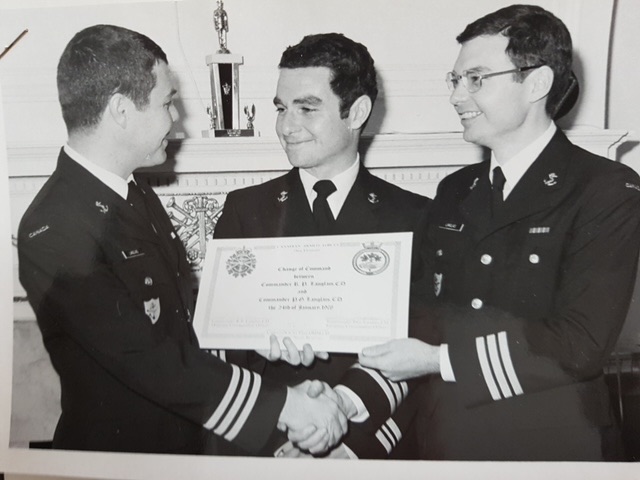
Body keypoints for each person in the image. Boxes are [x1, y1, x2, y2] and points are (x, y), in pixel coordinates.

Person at [17, 24, 347, 455]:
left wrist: (259, 333)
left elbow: (177, 326)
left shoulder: (132, 193)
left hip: (178, 445)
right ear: (121, 110)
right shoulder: (55, 227)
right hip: (119, 460)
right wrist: (282, 404)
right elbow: (143, 356)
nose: (176, 121)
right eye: (167, 103)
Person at [358, 4, 640, 461]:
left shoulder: (606, 189)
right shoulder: (455, 190)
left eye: (476, 79)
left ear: (536, 83)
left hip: (551, 449)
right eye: (455, 80)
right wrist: (347, 405)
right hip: (446, 443)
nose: (456, 96)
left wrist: (438, 360)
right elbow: (419, 315)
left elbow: (580, 344)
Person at [212, 32, 430, 458]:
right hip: (268, 444)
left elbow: (418, 356)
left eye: (307, 108)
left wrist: (350, 446)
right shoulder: (245, 210)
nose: (286, 126)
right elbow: (223, 351)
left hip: (362, 446)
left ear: (357, 112)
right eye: (281, 108)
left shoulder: (414, 217)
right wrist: (282, 434)